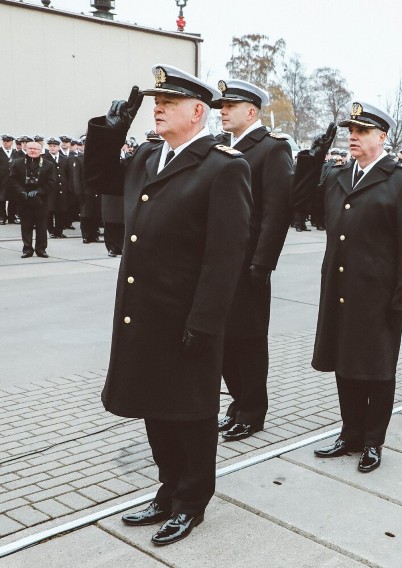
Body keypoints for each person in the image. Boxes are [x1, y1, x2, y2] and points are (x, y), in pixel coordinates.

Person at [84, 64, 252, 546]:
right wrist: (109, 129)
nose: (157, 108)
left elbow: (225, 257)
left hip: (186, 318)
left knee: (191, 414)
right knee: (155, 407)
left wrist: (204, 322)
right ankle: (167, 489)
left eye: (169, 102)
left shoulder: (223, 166)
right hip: (145, 312)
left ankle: (191, 502)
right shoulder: (147, 157)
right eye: (156, 101)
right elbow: (98, 177)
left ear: (198, 111)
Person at [303, 102, 402, 471]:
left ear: (382, 137)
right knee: (345, 364)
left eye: (361, 131)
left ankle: (374, 441)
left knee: (376, 370)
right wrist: (312, 158)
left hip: (378, 295)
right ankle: (350, 432)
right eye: (350, 131)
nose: (352, 137)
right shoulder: (339, 174)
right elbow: (302, 203)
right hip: (340, 288)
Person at [212, 79, 295, 442]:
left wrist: (263, 263)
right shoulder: (223, 148)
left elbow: (277, 211)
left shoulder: (270, 149)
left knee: (248, 339)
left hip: (249, 264)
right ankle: (237, 402)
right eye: (221, 106)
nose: (222, 111)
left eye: (230, 106)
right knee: (224, 338)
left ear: (251, 111)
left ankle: (252, 410)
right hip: (221, 262)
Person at [8, 140, 56, 258]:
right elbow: (12, 180)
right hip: (24, 199)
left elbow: (51, 182)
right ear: (26, 149)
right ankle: (27, 249)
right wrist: (21, 192)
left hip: (41, 200)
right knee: (26, 226)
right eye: (30, 148)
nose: (33, 151)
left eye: (36, 149)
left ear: (41, 151)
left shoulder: (48, 164)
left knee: (41, 227)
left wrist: (39, 191)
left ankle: (41, 249)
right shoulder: (17, 163)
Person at [1, 134, 17, 225]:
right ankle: (2, 217)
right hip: (1, 179)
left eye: (7, 141)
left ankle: (12, 217)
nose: (5, 143)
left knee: (13, 198)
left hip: (13, 179)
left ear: (12, 142)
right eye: (4, 141)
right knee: (1, 199)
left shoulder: (16, 153)